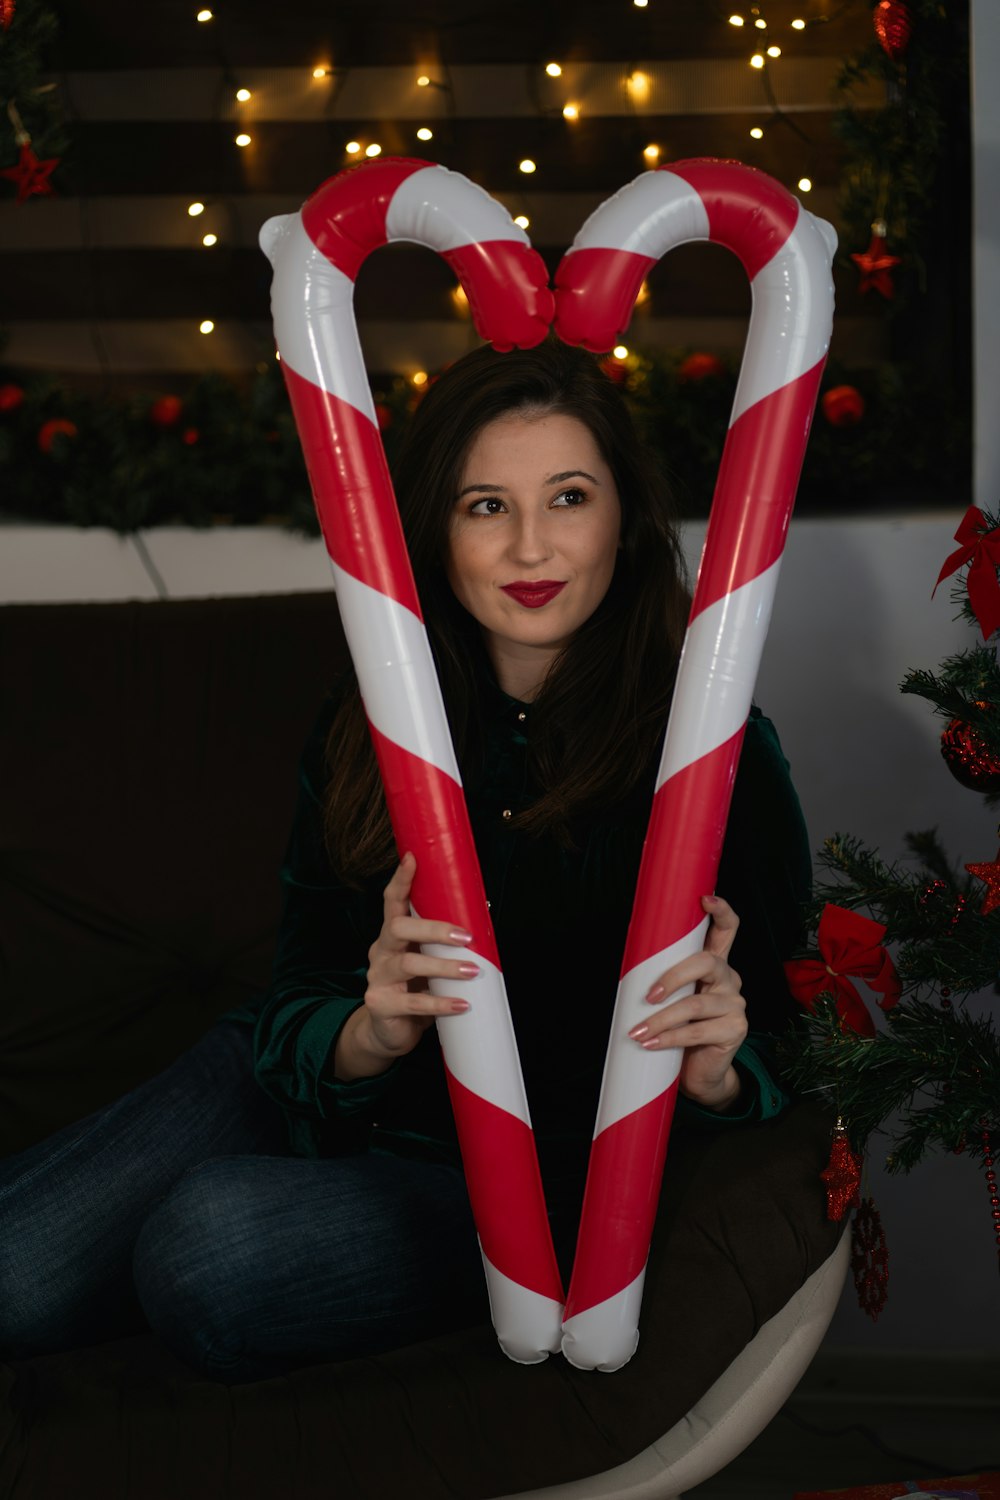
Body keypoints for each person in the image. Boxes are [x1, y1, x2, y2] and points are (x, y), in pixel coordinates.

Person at [0, 340, 812, 1392]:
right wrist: (366, 1029)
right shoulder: (372, 726)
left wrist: (719, 1068)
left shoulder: (715, 749)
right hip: (308, 1092)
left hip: (506, 1188)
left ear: (625, 517)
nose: (531, 546)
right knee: (15, 1272)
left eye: (568, 496)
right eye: (486, 506)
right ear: (435, 528)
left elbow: (800, 1034)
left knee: (208, 1246)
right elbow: (305, 985)